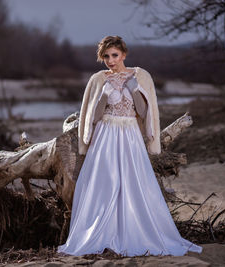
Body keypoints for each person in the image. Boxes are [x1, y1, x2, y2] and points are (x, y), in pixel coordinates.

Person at [58, 36, 202, 256]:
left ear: (124, 54)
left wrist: (134, 88)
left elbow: (145, 113)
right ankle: (103, 232)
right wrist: (105, 94)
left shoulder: (140, 75)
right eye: (106, 56)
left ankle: (134, 231)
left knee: (132, 182)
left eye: (114, 55)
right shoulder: (98, 79)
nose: (110, 60)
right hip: (105, 135)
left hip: (130, 135)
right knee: (105, 182)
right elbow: (93, 116)